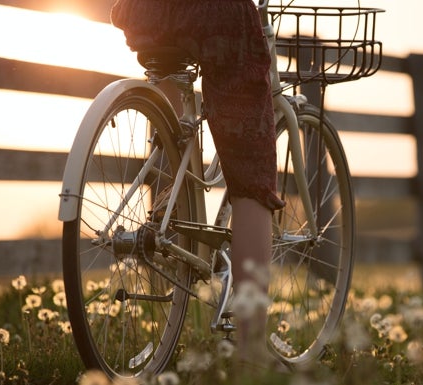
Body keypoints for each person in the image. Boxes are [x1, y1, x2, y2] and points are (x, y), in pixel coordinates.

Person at [110, 0, 284, 371]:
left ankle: (168, 222)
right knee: (252, 176)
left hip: (144, 11)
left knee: (169, 101)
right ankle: (252, 352)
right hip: (215, 13)